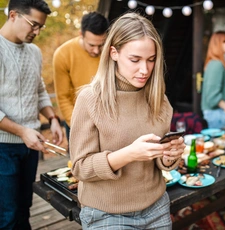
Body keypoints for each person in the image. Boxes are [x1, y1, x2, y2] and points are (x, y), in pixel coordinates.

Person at [70, 12, 185, 229]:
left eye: (151, 60)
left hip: (156, 206)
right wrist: (128, 154)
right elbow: (80, 167)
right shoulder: (90, 99)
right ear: (113, 52)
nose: (145, 70)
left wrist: (170, 155)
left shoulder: (159, 99)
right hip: (106, 213)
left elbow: (162, 162)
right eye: (135, 60)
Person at [0, 0, 64, 229]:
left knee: (24, 207)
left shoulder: (35, 52)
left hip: (31, 145)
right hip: (3, 148)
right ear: (14, 15)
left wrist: (53, 119)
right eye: (33, 25)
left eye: (41, 27)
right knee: (6, 215)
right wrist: (21, 130)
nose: (36, 32)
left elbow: (39, 90)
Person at [53, 12, 109, 141]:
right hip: (77, 120)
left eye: (101, 45)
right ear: (81, 34)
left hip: (108, 120)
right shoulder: (62, 54)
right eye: (91, 45)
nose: (96, 51)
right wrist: (79, 126)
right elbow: (63, 98)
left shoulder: (111, 52)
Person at [201, 31, 225, 129]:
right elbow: (212, 94)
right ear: (218, 44)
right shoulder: (216, 64)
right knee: (219, 143)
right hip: (217, 112)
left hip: (217, 112)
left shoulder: (217, 62)